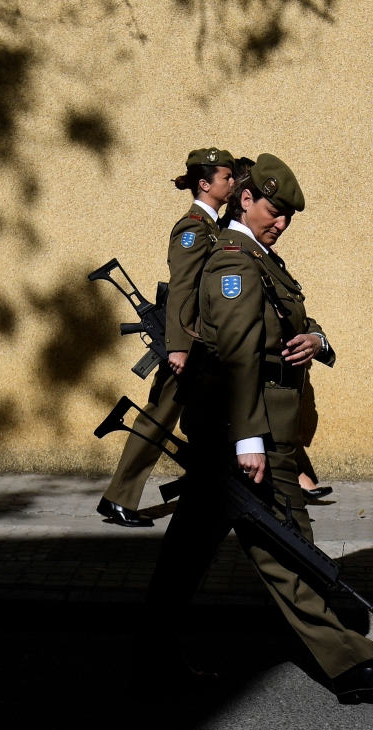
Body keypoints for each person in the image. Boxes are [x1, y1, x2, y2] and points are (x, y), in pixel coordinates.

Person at [146, 154, 373, 701]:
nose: (283, 221)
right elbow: (241, 354)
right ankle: (347, 667)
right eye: (275, 209)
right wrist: (248, 440)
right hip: (246, 435)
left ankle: (153, 662)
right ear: (246, 199)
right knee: (285, 549)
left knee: (203, 557)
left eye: (290, 214)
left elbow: (294, 320)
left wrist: (316, 340)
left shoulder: (265, 261)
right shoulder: (234, 262)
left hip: (262, 432)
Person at [97, 147, 235, 526]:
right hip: (186, 347)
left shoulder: (214, 228)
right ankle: (119, 499)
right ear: (205, 184)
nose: (232, 183)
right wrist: (177, 346)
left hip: (200, 344)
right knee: (157, 421)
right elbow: (183, 290)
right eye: (226, 177)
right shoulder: (193, 228)